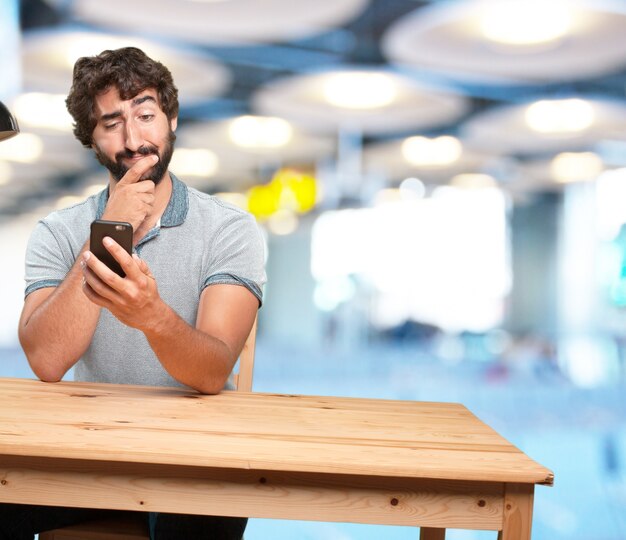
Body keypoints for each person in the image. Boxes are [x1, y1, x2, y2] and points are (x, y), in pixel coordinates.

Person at [0, 47, 265, 540]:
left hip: (198, 459)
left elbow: (212, 371)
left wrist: (151, 314)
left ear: (171, 120)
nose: (133, 139)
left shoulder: (230, 229)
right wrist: (108, 230)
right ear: (91, 140)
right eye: (111, 122)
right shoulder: (59, 232)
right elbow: (47, 362)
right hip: (85, 453)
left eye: (146, 114)